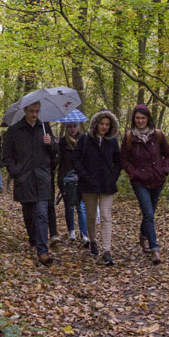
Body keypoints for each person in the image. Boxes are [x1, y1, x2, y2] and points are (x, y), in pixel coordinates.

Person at [2, 101, 57, 266]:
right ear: (25, 111)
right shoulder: (14, 131)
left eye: (37, 111)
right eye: (31, 111)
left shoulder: (45, 127)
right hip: (24, 178)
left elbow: (55, 154)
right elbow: (6, 157)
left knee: (42, 213)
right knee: (29, 214)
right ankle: (33, 240)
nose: (34, 114)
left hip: (42, 178)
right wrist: (15, 172)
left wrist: (51, 144)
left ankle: (42, 251)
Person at [121, 104, 169, 265]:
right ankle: (154, 248)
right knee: (149, 214)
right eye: (137, 118)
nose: (140, 120)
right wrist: (134, 173)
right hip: (140, 182)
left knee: (149, 213)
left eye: (143, 118)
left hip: (157, 180)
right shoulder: (129, 137)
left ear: (148, 118)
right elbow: (124, 160)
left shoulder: (157, 135)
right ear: (133, 119)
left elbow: (168, 155)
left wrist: (164, 170)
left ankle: (143, 236)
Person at [71, 109, 121, 266]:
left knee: (106, 216)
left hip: (107, 185)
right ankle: (93, 241)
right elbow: (75, 159)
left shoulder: (112, 141)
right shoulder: (85, 139)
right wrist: (84, 175)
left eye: (107, 124)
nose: (104, 127)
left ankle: (107, 251)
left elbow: (118, 161)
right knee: (91, 215)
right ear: (96, 124)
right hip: (88, 185)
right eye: (102, 123)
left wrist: (113, 177)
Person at [56, 122, 89, 245]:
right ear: (66, 128)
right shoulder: (62, 142)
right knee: (69, 205)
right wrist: (53, 147)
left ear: (78, 127)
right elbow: (57, 160)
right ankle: (71, 231)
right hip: (65, 178)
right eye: (70, 126)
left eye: (74, 126)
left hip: (81, 178)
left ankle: (84, 234)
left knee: (81, 206)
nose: (72, 129)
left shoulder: (84, 140)